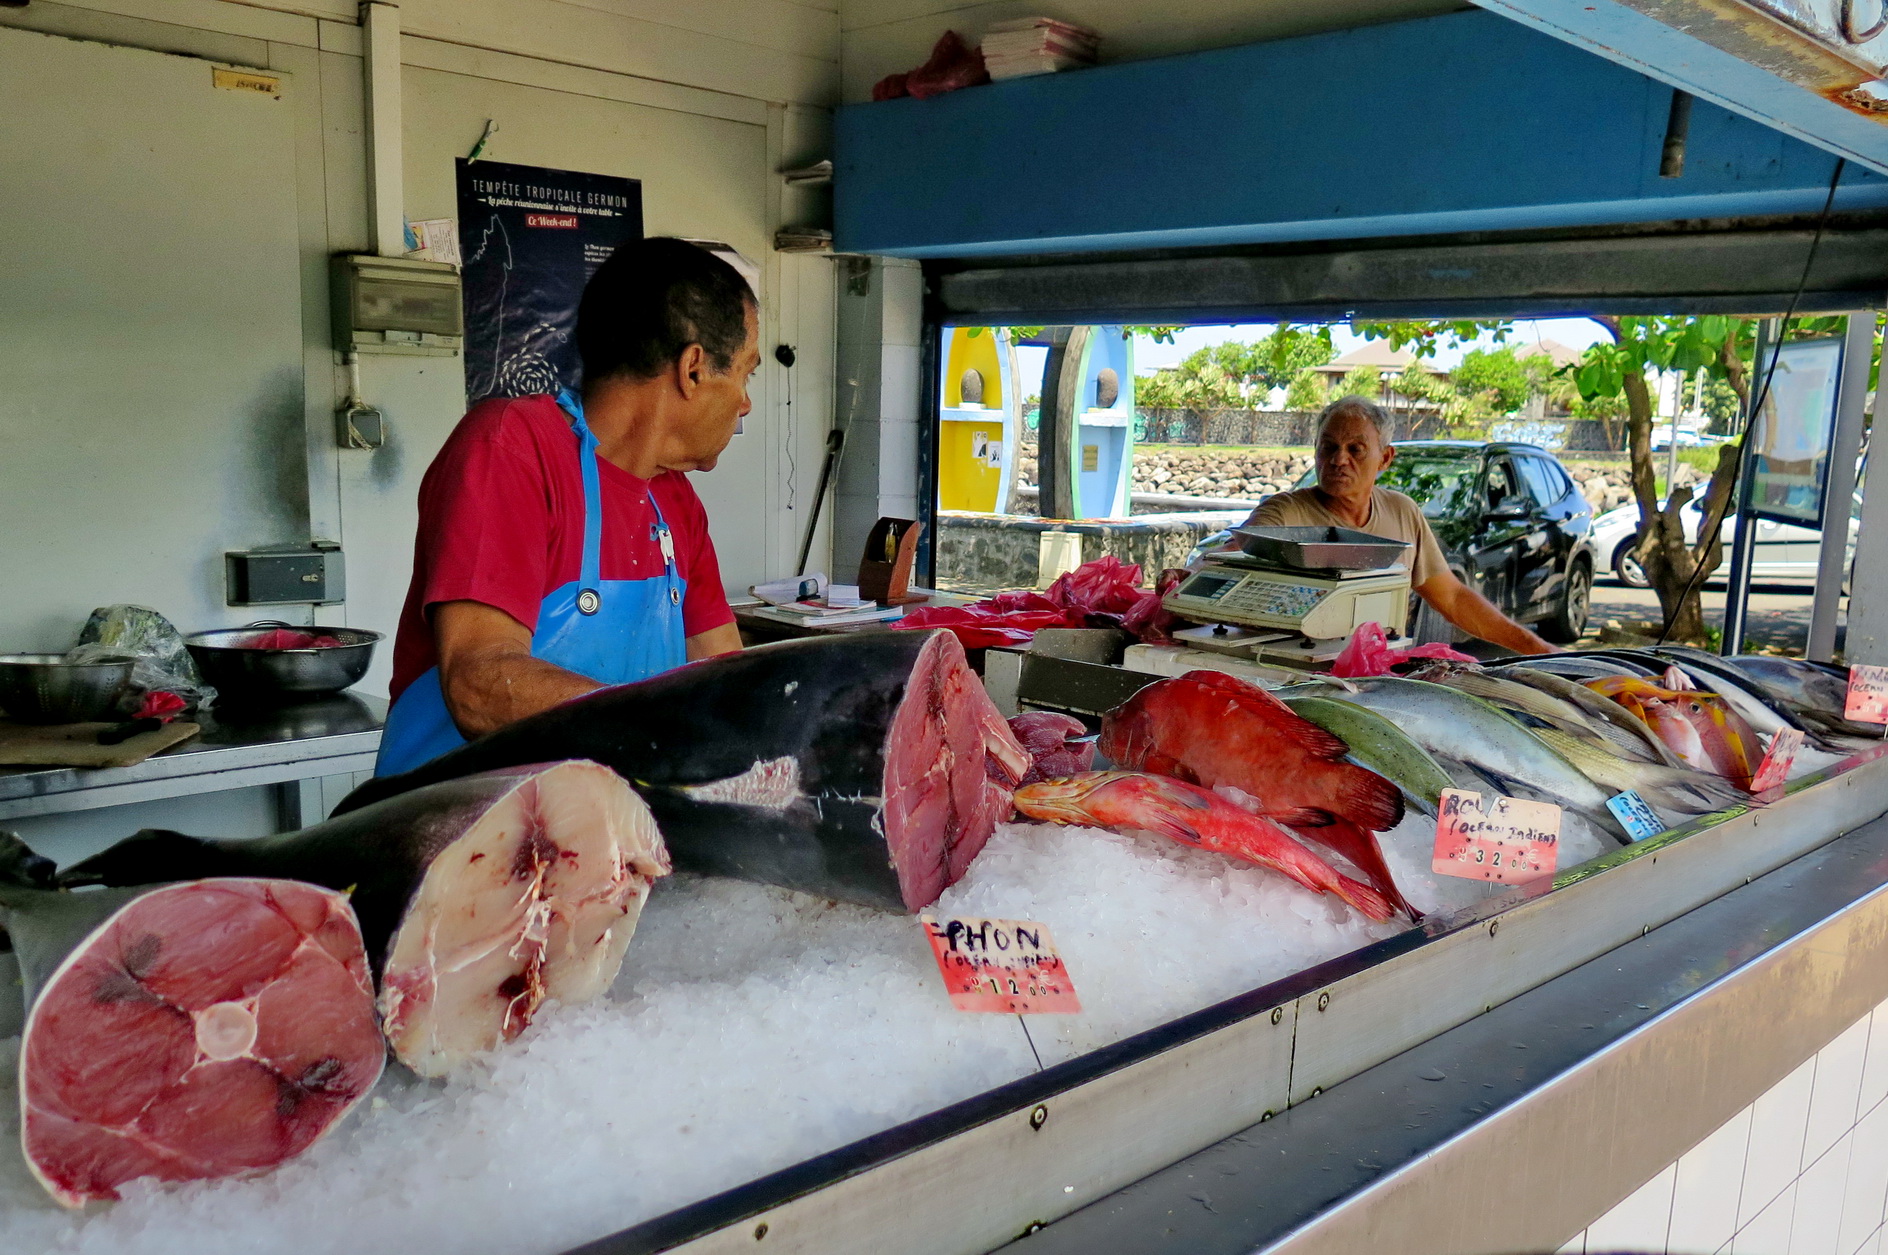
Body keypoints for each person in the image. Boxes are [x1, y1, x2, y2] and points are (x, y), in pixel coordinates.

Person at [376, 237, 757, 775]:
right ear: (693, 369)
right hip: (454, 833)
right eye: (747, 373)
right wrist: (665, 731)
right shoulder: (510, 447)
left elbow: (726, 687)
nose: (746, 402)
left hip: (604, 838)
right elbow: (479, 685)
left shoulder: (677, 503)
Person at [1233, 394, 1559, 656]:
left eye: (1355, 449)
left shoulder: (1402, 512)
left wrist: (1538, 648)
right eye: (1328, 447)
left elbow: (1453, 598)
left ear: (1385, 459)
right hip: (1297, 680)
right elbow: (1230, 554)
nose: (1338, 459)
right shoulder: (1286, 512)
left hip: (1379, 679)